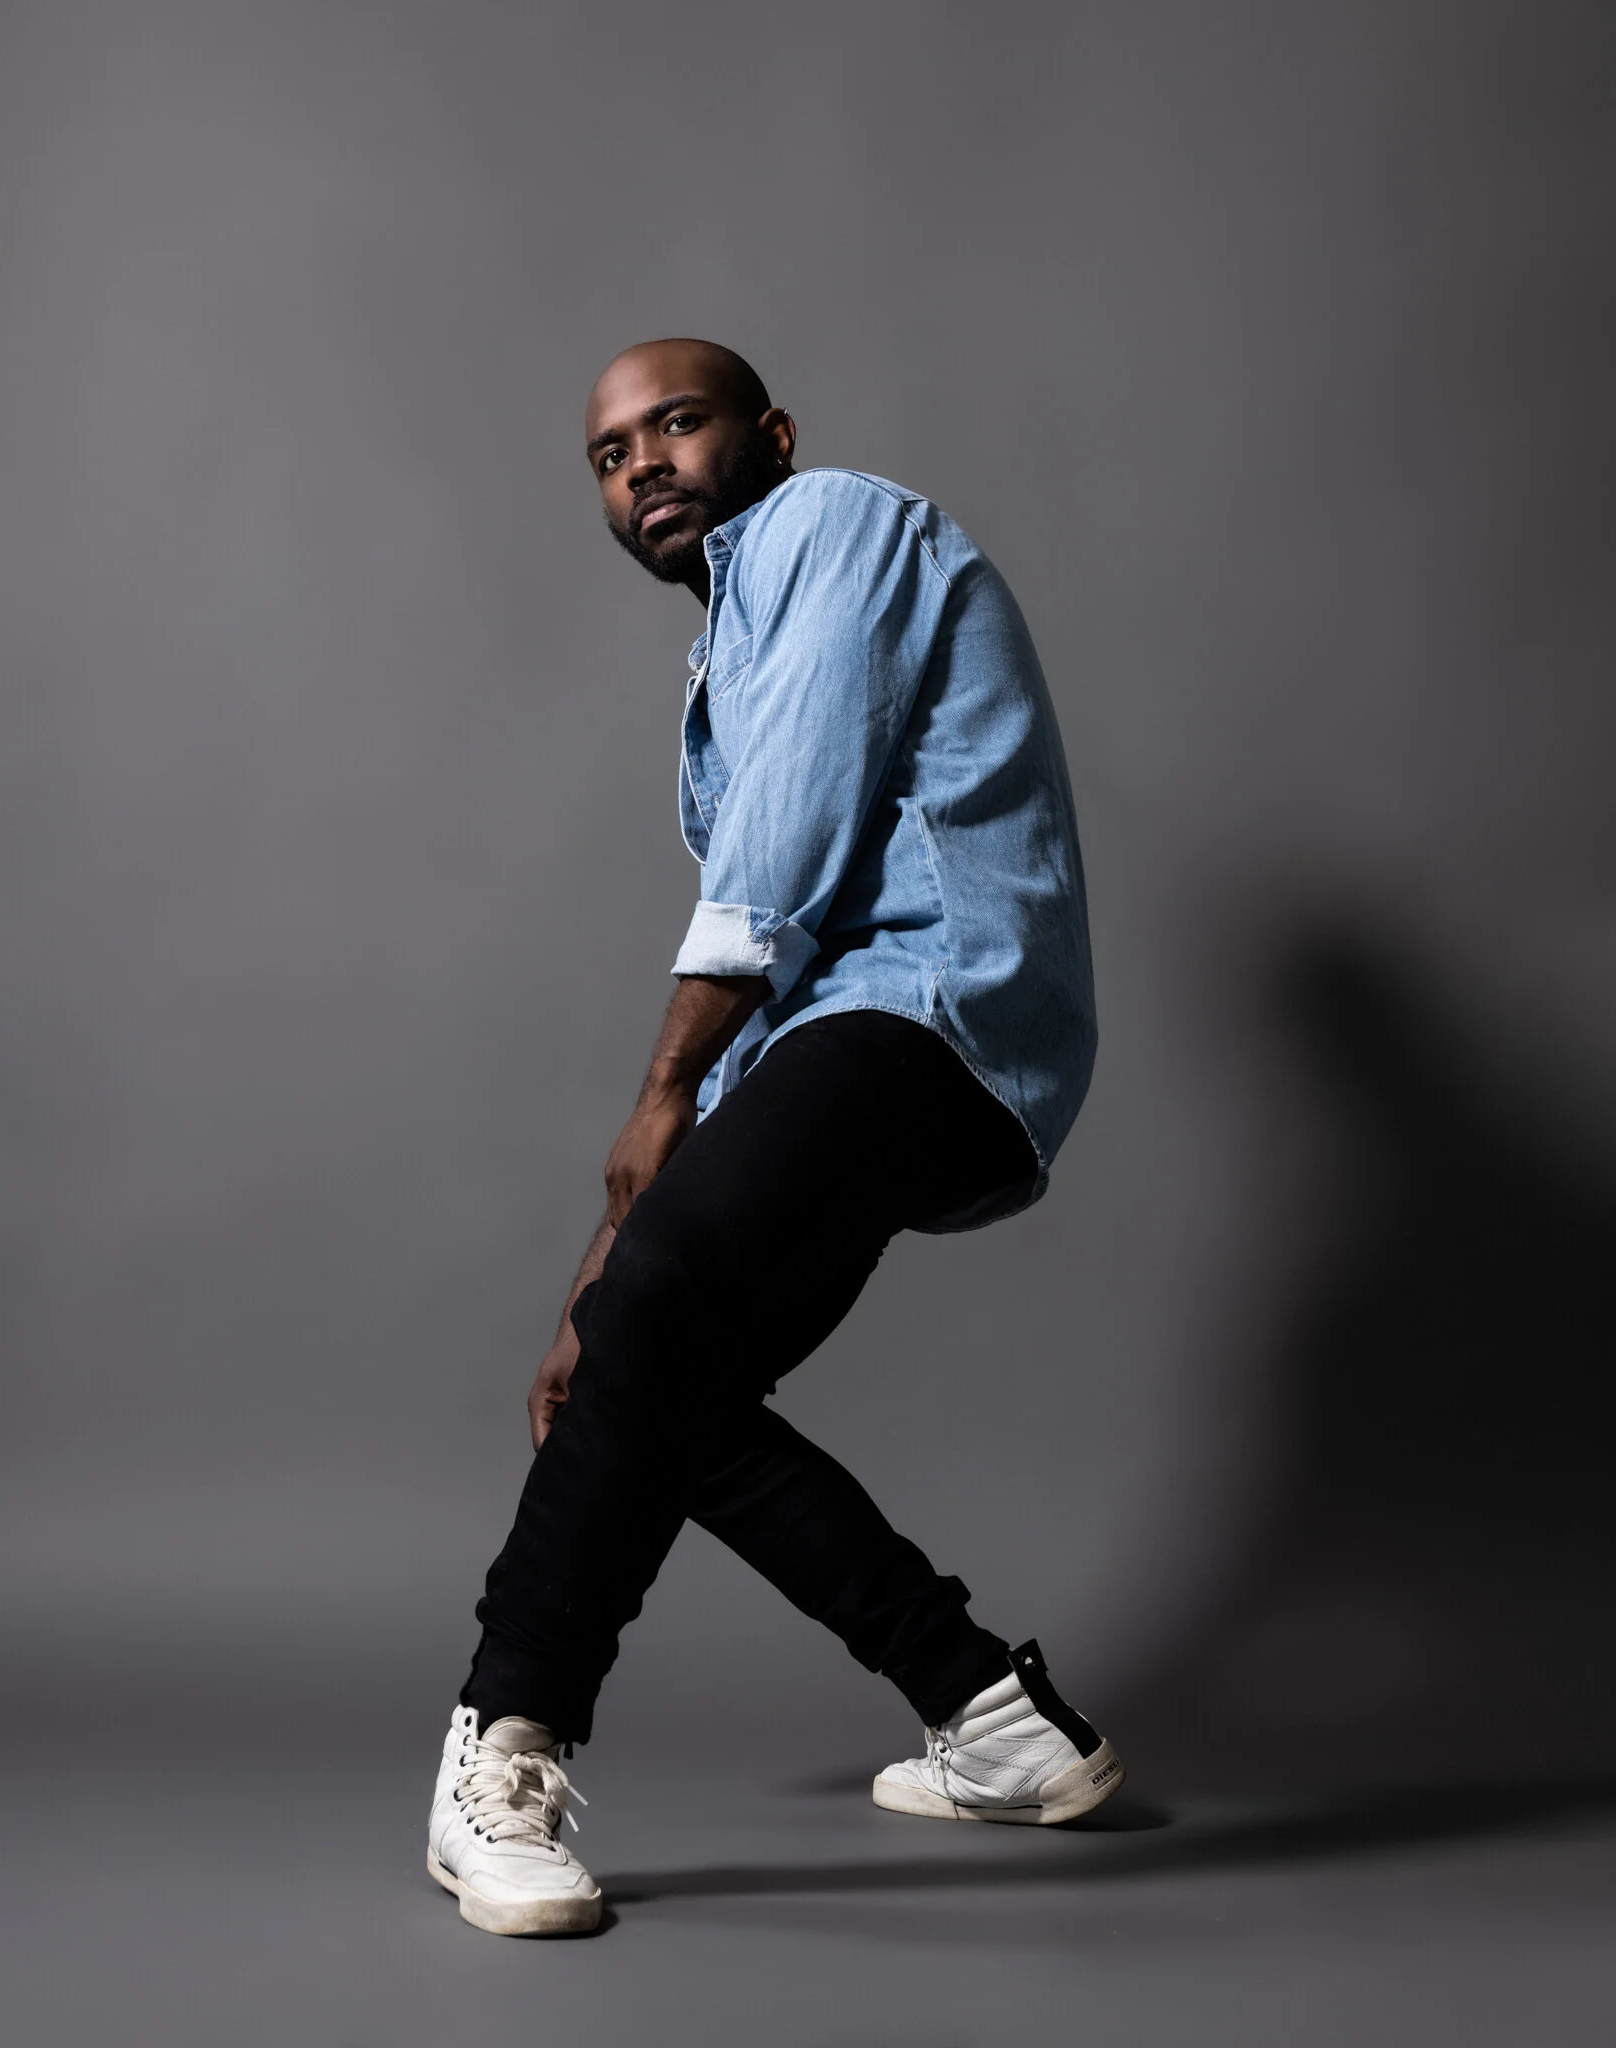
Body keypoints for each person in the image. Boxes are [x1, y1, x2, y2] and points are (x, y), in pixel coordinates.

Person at [425, 338, 1124, 1937]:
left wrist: (659, 1097)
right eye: (610, 456)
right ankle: (993, 1717)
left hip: (927, 1011)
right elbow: (791, 976)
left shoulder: (830, 525)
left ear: (772, 433)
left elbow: (784, 855)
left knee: (651, 1336)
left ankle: (499, 1737)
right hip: (897, 1052)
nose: (644, 469)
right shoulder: (730, 647)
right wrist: (610, 1273)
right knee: (652, 1371)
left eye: (675, 425)